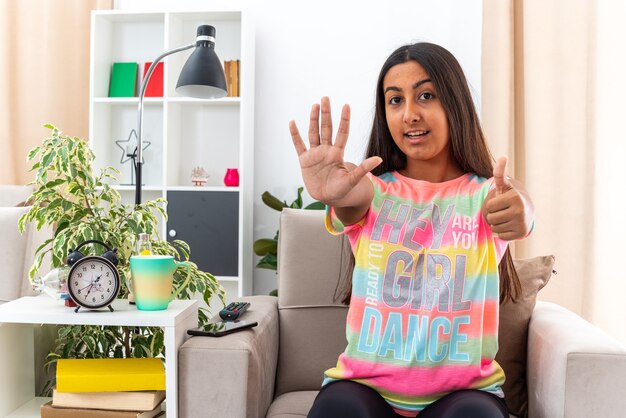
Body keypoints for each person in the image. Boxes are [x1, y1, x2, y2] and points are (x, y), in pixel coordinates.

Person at [289, 42, 534, 418]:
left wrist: (520, 211)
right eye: (395, 101)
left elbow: (519, 207)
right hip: (364, 390)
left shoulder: (487, 194)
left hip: (464, 396)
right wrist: (329, 193)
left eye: (426, 95)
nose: (410, 115)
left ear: (455, 102)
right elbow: (351, 197)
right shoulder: (372, 190)